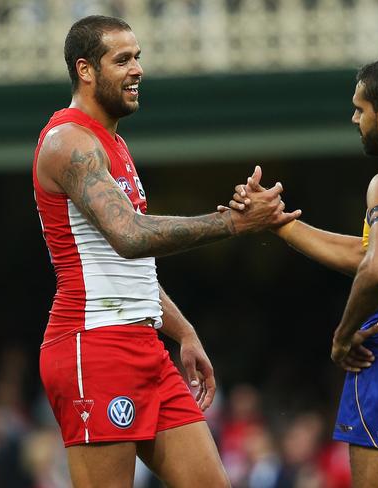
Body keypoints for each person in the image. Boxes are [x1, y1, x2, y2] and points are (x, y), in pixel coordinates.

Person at [33, 15, 299, 487]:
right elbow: (130, 236)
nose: (137, 69)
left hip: (144, 345)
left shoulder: (113, 143)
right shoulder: (68, 142)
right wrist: (232, 222)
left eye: (138, 57)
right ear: (85, 69)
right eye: (122, 60)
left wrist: (184, 332)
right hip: (92, 346)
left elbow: (126, 267)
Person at [222, 57, 378, 487]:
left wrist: (343, 337)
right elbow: (377, 255)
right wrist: (280, 222)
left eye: (360, 109)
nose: (354, 118)